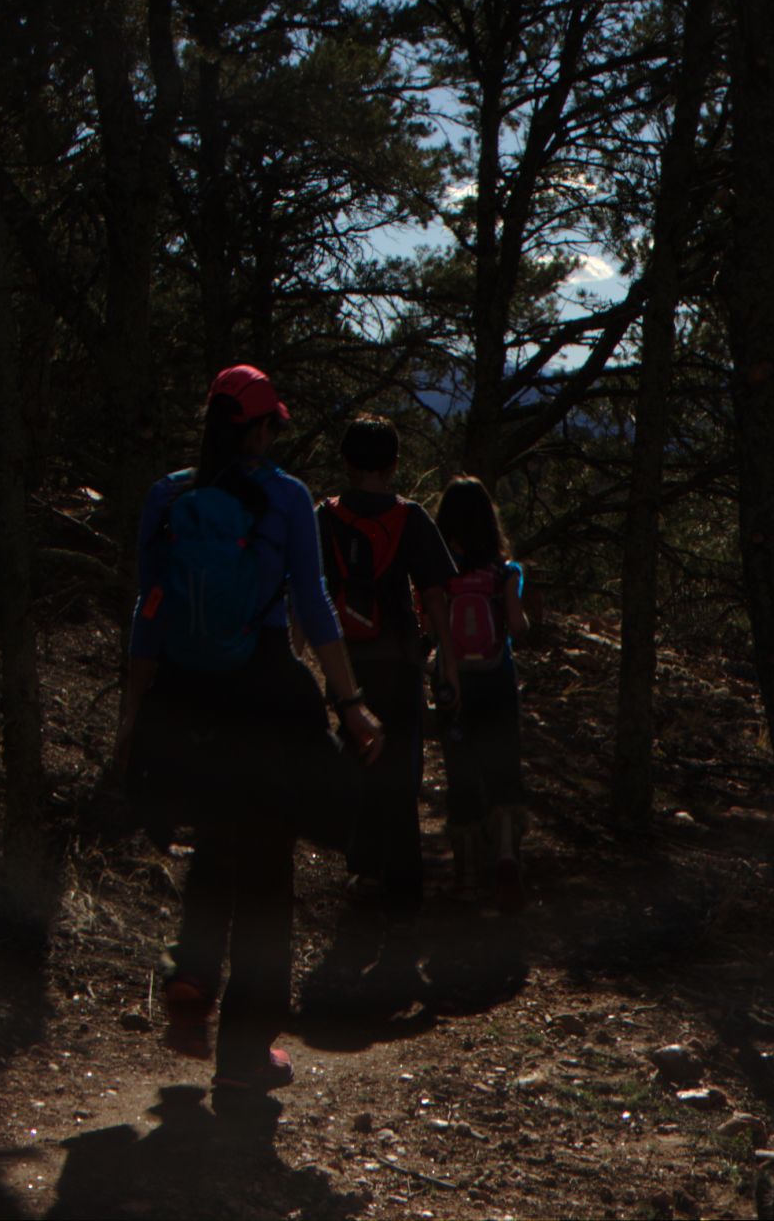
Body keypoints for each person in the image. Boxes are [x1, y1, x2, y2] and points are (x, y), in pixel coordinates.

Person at [114, 364, 384, 1101]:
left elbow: (147, 606)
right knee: (266, 876)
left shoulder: (167, 495)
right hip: (262, 701)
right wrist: (349, 700)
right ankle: (241, 1052)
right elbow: (314, 606)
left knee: (213, 846)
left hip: (183, 701)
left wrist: (135, 715)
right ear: (261, 428)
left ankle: (192, 976)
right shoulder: (287, 498)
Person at [316, 416, 460, 925]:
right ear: (395, 464)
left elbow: (308, 595)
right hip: (400, 661)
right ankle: (403, 889)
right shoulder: (412, 518)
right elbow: (437, 595)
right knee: (401, 772)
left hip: (347, 668)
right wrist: (445, 655)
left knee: (358, 763)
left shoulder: (325, 517)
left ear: (347, 463)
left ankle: (364, 871)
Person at [431, 475, 530, 911]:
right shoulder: (505, 572)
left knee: (462, 772)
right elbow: (519, 627)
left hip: (453, 682)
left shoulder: (438, 573)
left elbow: (429, 630)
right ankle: (507, 853)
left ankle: (466, 877)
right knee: (503, 765)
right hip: (497, 677)